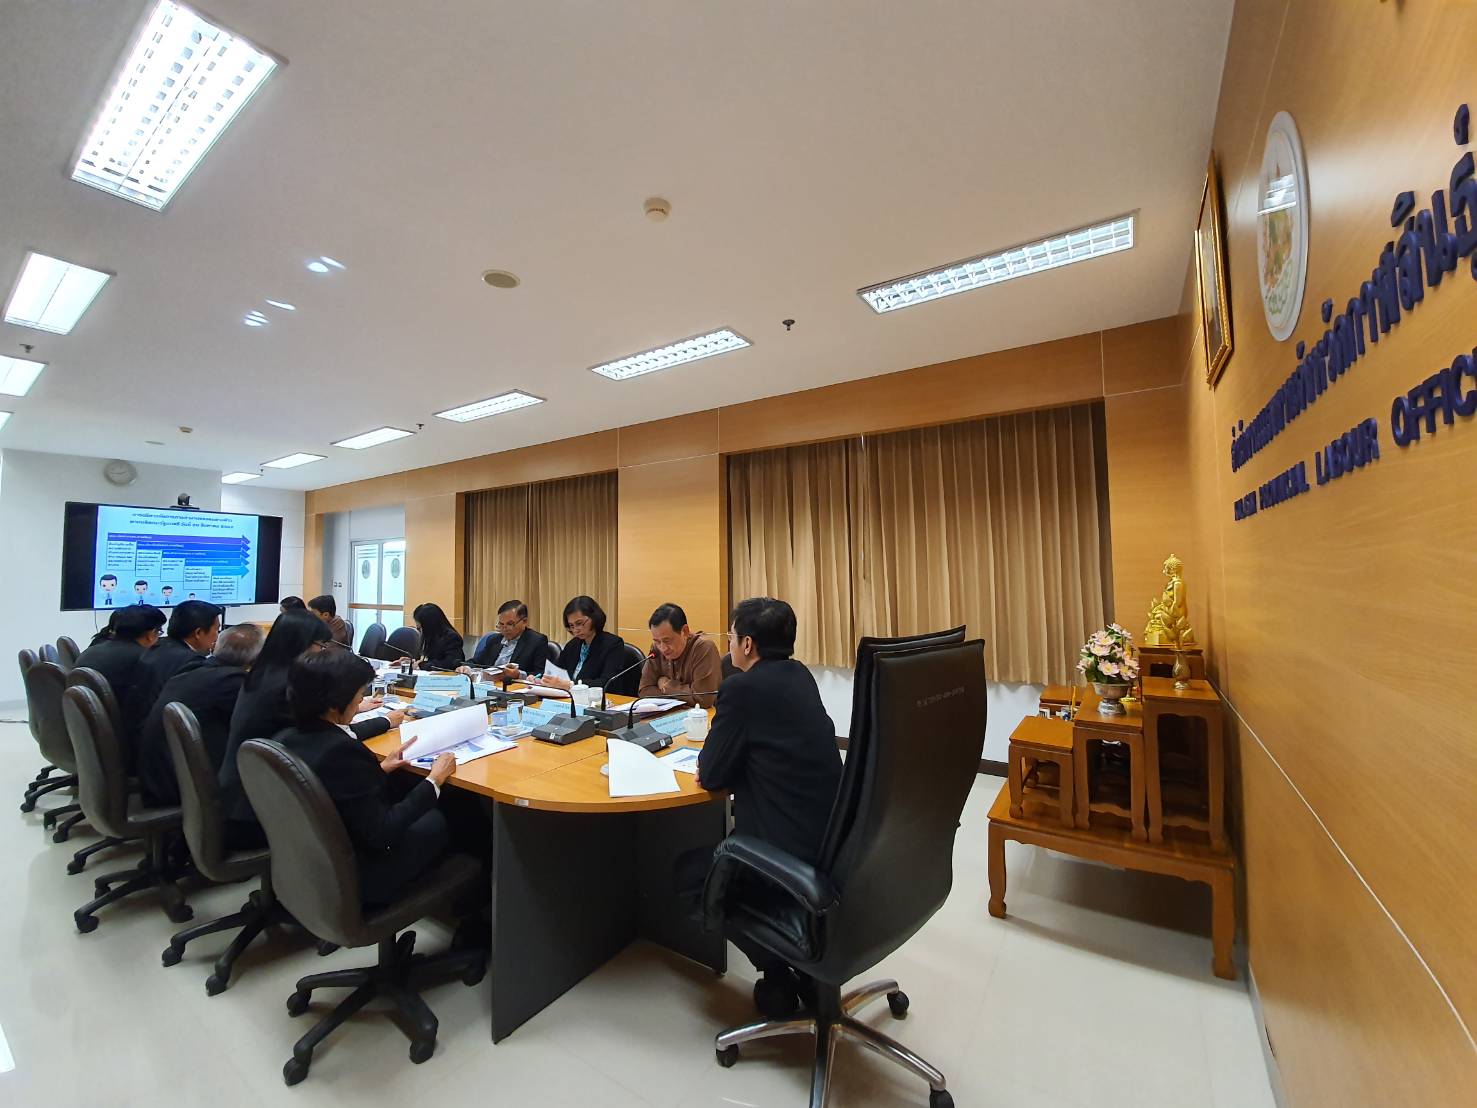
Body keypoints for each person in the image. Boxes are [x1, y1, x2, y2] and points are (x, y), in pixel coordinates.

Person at [687, 597, 842, 1015]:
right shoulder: (800, 675)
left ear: (747, 644)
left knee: (688, 875)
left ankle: (777, 970)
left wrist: (717, 763)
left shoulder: (741, 688)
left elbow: (712, 773)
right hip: (832, 842)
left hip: (784, 851)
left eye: (732, 637)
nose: (729, 645)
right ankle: (798, 970)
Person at [270, 646, 457, 905]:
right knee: (440, 817)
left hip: (307, 863)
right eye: (358, 696)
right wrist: (434, 780)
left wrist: (380, 769)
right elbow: (383, 832)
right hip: (357, 877)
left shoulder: (286, 737)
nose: (360, 703)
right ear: (334, 704)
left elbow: (333, 791)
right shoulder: (341, 751)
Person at [219, 611, 405, 848]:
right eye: (322, 646)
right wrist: (385, 721)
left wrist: (352, 705)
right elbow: (324, 737)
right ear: (303, 644)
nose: (324, 653)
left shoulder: (264, 674)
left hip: (248, 791)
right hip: (256, 813)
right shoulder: (285, 688)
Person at [135, 624, 265, 806]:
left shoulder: (192, 669)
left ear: (216, 646)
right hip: (182, 788)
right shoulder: (232, 682)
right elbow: (255, 727)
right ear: (256, 659)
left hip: (158, 778)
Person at [124, 600, 223, 748]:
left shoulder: (158, 648)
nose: (217, 637)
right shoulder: (190, 662)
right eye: (216, 630)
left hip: (139, 739)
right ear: (198, 633)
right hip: (164, 746)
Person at [73, 605, 166, 717]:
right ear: (150, 634)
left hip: (83, 721)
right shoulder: (145, 659)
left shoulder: (89, 652)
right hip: (124, 724)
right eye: (159, 632)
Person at [639, 602, 722, 707]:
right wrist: (685, 694)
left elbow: (703, 699)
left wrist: (666, 685)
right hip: (670, 714)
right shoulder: (656, 649)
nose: (662, 648)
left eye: (667, 641)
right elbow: (644, 691)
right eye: (657, 641)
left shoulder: (703, 648)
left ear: (685, 631)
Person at [544, 596, 627, 689]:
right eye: (571, 626)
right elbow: (556, 670)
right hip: (567, 696)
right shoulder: (572, 645)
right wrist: (542, 679)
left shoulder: (613, 644)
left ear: (594, 618)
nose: (576, 630)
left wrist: (570, 685)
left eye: (579, 623)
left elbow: (607, 683)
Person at [460, 600, 550, 678]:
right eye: (501, 624)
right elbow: (477, 661)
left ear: (524, 621)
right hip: (490, 684)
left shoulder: (537, 641)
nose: (504, 629)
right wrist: (465, 667)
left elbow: (539, 674)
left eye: (510, 624)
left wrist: (519, 675)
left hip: (514, 687)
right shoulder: (494, 639)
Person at [412, 602, 464, 670]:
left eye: (420, 628)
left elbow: (450, 663)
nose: (420, 631)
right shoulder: (430, 636)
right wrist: (412, 662)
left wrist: (423, 665)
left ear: (429, 625)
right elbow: (424, 658)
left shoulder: (452, 638)